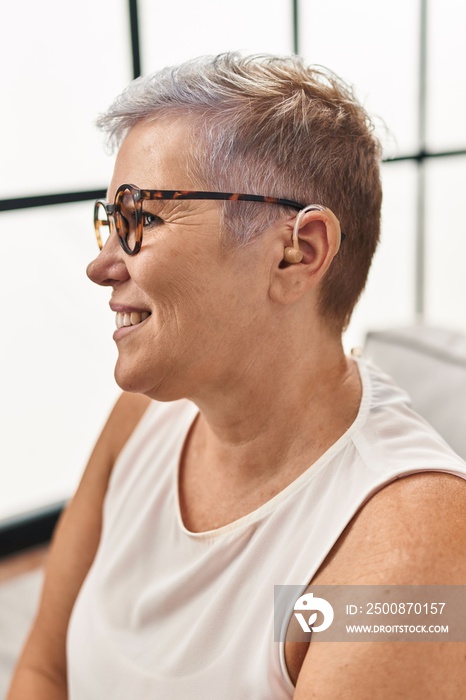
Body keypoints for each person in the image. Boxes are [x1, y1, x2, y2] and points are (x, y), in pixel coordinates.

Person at [8, 53, 466, 699]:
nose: (101, 265)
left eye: (141, 219)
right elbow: (44, 670)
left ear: (296, 251)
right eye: (109, 223)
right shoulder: (144, 419)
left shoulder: (407, 547)